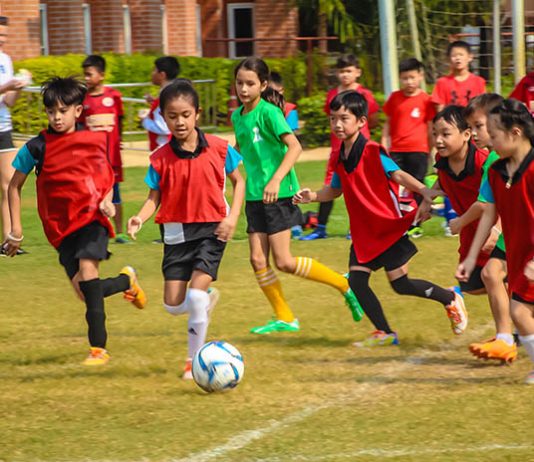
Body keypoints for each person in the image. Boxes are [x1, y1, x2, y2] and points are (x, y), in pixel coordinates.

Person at [294, 91, 468, 347]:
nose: (337, 124)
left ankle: (449, 298)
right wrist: (311, 196)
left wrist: (423, 190)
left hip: (385, 228)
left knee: (400, 284)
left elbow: (397, 174)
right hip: (364, 232)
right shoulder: (340, 156)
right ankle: (385, 332)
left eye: (344, 118)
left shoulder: (372, 151)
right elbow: (335, 190)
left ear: (361, 122)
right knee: (357, 281)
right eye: (333, 119)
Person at [3, 77, 146, 366]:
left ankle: (98, 349)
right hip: (60, 229)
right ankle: (126, 281)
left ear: (78, 111)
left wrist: (107, 201)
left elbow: (107, 178)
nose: (57, 117)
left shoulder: (91, 143)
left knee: (88, 271)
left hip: (91, 220)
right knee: (85, 292)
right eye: (51, 111)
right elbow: (13, 186)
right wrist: (15, 229)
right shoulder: (36, 147)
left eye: (63, 110)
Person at [231, 57, 362, 335]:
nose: (243, 89)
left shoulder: (269, 113)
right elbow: (242, 149)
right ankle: (285, 317)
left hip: (279, 194)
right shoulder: (237, 116)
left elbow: (294, 147)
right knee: (257, 260)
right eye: (239, 83)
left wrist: (276, 179)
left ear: (262, 85)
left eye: (250, 83)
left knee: (284, 262)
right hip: (254, 196)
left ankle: (343, 283)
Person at [128, 79, 245, 378]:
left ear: (197, 114)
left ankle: (194, 362)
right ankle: (205, 300)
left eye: (185, 115)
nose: (179, 122)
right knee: (173, 305)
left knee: (194, 297)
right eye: (172, 116)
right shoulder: (159, 159)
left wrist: (232, 218)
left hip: (213, 229)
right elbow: (154, 198)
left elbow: (239, 182)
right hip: (176, 233)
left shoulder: (220, 148)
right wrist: (139, 217)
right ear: (163, 117)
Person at [457, 99, 534, 384]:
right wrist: (470, 257)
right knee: (520, 312)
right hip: (518, 253)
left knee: (519, 311)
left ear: (516, 132)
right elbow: (489, 213)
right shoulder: (495, 170)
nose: (488, 139)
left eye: (493, 133)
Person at [459, 94, 516, 362]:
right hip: (515, 231)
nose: (473, 133)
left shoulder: (521, 152)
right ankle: (505, 339)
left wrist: (461, 222)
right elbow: (489, 203)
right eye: (470, 127)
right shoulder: (492, 161)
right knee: (491, 273)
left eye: (478, 126)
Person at [301, 54, 379, 241]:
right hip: (337, 152)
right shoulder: (332, 94)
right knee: (329, 187)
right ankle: (320, 228)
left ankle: (357, 229)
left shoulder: (365, 94)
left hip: (359, 151)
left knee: (359, 191)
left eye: (349, 71)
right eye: (341, 71)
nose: (345, 74)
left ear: (358, 72)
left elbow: (373, 119)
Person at [432, 105, 498, 294]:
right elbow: (443, 180)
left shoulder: (483, 162)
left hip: (493, 230)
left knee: (497, 279)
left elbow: (490, 202)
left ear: (466, 135)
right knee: (473, 286)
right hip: (470, 233)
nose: (438, 140)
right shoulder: (441, 160)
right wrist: (427, 199)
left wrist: (497, 229)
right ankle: (455, 296)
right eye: (435, 134)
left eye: (445, 134)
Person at [381, 58, 436, 238]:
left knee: (417, 186)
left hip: (419, 151)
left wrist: (431, 149)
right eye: (405, 78)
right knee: (394, 186)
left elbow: (430, 127)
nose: (409, 82)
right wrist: (384, 143)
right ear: (400, 78)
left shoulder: (426, 100)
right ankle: (396, 220)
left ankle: (416, 223)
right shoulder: (394, 98)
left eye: (412, 77)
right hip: (397, 151)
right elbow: (388, 123)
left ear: (420, 76)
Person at [80, 55, 129, 244]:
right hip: (92, 158)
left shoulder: (114, 96)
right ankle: (96, 230)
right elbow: (79, 126)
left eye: (89, 74)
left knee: (115, 192)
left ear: (101, 75)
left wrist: (119, 140)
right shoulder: (82, 100)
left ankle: (120, 232)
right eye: (84, 74)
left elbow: (120, 120)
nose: (86, 78)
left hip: (111, 156)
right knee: (91, 193)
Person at [0, 15, 28, 255]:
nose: (2, 39)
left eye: (5, 36)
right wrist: (6, 86)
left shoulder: (5, 59)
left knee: (9, 183)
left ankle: (9, 241)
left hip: (3, 127)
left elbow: (8, 101)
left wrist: (18, 88)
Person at [431, 40, 486, 112]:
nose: (458, 58)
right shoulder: (442, 82)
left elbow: (483, 107)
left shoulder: (478, 82)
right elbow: (439, 109)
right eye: (454, 56)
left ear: (470, 57)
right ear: (448, 59)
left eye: (461, 55)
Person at [139, 56, 178, 151]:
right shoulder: (175, 93)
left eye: (154, 70)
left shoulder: (165, 97)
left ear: (162, 75)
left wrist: (144, 120)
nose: (152, 74)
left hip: (163, 149)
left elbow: (164, 128)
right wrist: (154, 102)